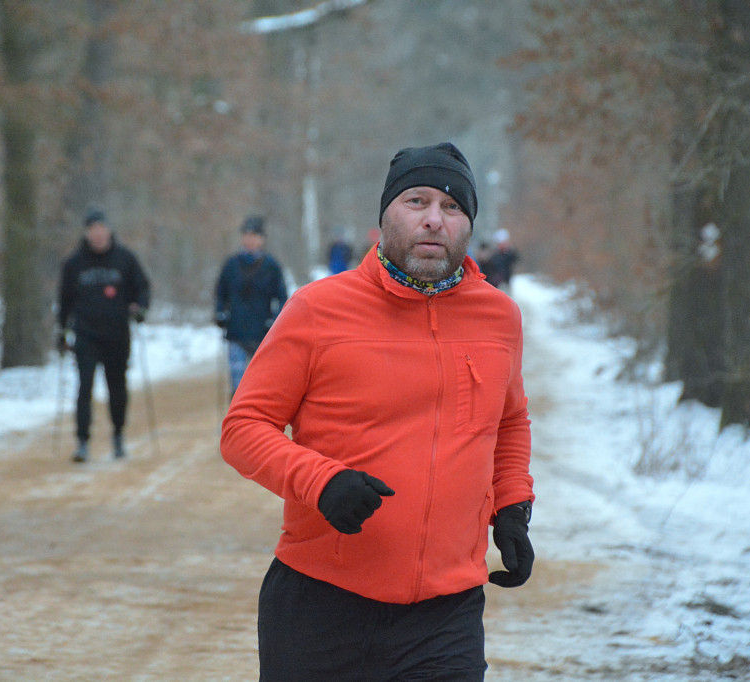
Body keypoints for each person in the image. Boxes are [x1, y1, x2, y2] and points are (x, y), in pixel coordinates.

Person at [221, 143, 534, 680]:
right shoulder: (318, 309)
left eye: (453, 206)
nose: (434, 219)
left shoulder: (498, 317)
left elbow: (508, 421)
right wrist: (320, 481)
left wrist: (510, 504)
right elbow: (243, 428)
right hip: (321, 604)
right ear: (385, 214)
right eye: (417, 200)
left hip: (446, 612)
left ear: (468, 225)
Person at [57, 209, 150, 463]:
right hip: (85, 335)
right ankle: (82, 441)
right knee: (84, 387)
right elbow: (64, 300)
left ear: (109, 231)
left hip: (117, 334)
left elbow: (142, 287)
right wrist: (62, 331)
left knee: (117, 387)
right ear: (86, 234)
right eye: (93, 230)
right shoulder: (74, 264)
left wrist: (140, 308)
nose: (98, 235)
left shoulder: (125, 259)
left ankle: (118, 435)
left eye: (101, 229)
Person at [214, 215, 288, 396]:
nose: (250, 240)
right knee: (237, 385)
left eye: (254, 236)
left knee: (261, 383)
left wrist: (276, 321)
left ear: (262, 239)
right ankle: (235, 421)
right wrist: (219, 313)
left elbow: (282, 297)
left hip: (262, 332)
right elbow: (220, 292)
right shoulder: (231, 264)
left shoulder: (271, 266)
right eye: (246, 235)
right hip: (236, 330)